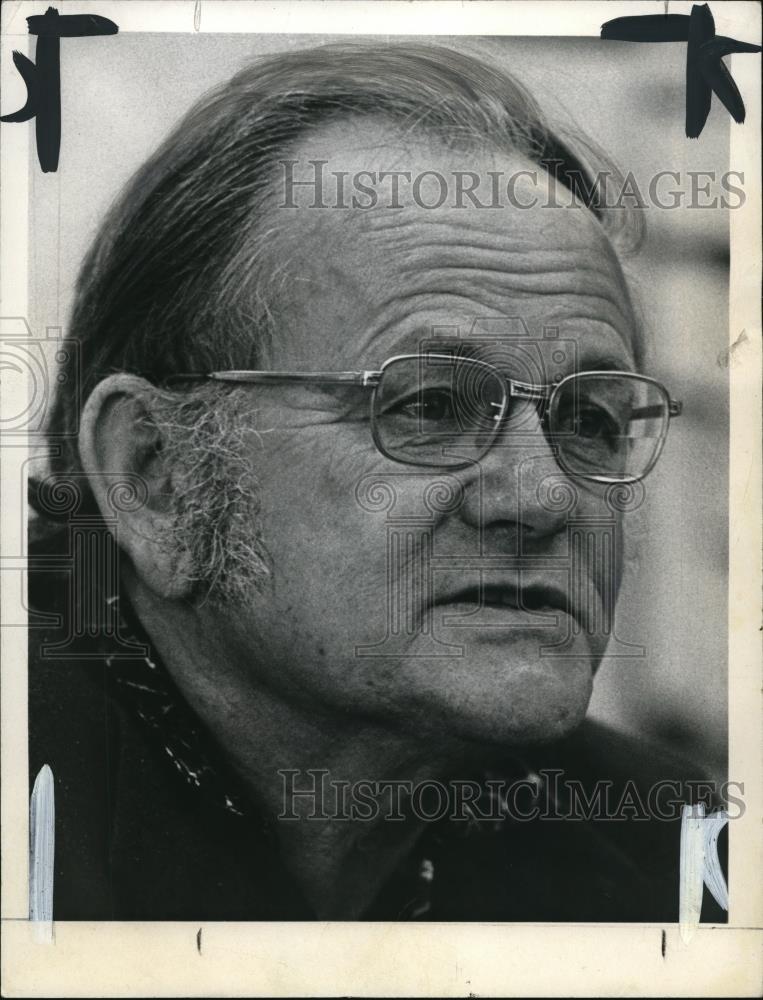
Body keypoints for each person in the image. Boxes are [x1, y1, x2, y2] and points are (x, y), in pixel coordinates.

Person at [28, 42, 724, 921]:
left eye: (588, 419)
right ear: (156, 478)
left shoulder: (666, 853)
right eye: (429, 405)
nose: (543, 498)